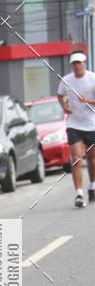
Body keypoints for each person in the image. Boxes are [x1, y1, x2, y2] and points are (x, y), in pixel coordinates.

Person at [56, 50, 95, 206]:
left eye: (79, 63)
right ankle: (79, 194)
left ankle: (92, 186)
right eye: (74, 63)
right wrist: (64, 106)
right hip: (74, 124)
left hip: (91, 124)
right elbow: (59, 95)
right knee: (77, 159)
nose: (77, 66)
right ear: (71, 65)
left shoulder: (92, 78)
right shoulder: (66, 80)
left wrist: (88, 101)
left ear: (84, 63)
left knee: (92, 159)